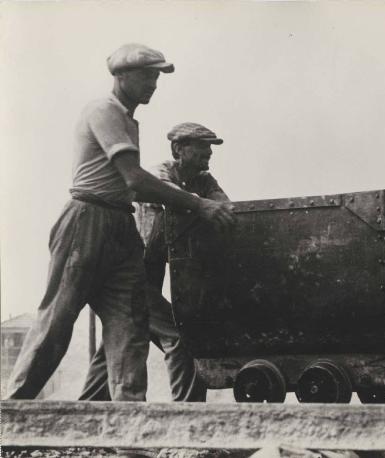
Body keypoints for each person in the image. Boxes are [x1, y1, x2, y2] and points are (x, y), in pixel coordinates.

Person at [5, 44, 234, 403]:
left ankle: (129, 432)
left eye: (156, 76)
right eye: (147, 75)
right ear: (121, 76)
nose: (154, 84)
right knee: (57, 323)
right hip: (86, 220)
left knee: (130, 331)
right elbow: (134, 179)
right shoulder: (104, 110)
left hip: (121, 229)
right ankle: (11, 418)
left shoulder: (129, 120)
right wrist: (199, 205)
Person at [79, 122, 230, 402]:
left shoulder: (203, 180)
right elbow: (177, 201)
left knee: (114, 345)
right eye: (201, 146)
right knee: (182, 340)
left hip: (144, 279)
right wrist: (201, 205)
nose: (208, 153)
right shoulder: (159, 176)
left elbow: (223, 207)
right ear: (178, 149)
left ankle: (82, 420)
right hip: (127, 278)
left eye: (210, 147)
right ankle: (187, 425)